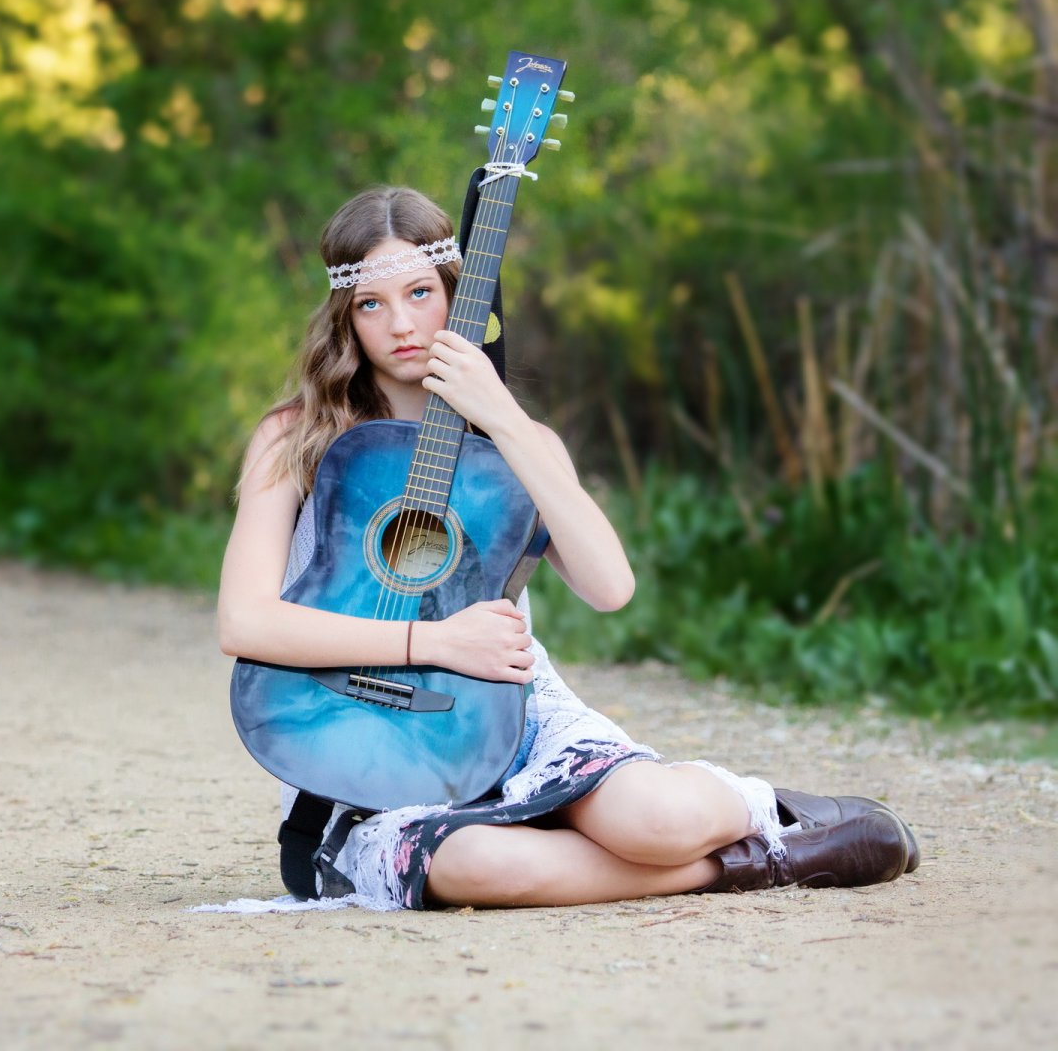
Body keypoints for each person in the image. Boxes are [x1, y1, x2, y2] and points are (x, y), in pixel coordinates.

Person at [216, 185, 918, 909]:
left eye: (421, 293)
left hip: (505, 708)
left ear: (460, 295)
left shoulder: (518, 445)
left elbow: (611, 587)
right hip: (350, 734)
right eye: (372, 304)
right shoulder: (294, 436)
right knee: (475, 867)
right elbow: (245, 622)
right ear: (344, 317)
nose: (401, 324)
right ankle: (766, 862)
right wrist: (434, 640)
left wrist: (504, 419)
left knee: (659, 820)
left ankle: (759, 809)